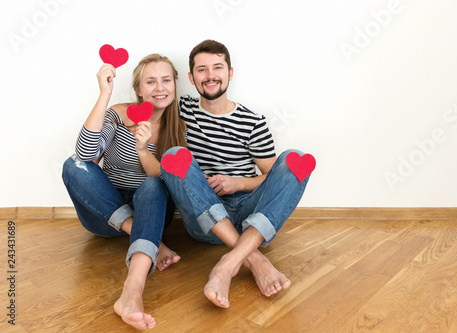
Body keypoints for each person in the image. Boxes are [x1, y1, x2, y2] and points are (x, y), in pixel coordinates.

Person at [160, 40, 313, 308]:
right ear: (190, 77)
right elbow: (147, 99)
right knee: (173, 154)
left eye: (217, 68)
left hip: (249, 218)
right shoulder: (180, 110)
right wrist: (110, 102)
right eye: (202, 70)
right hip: (205, 222)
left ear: (230, 73)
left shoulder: (253, 122)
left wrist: (238, 182)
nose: (210, 76)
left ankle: (227, 264)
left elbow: (273, 175)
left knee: (293, 160)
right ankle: (255, 259)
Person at [62, 53, 186, 329]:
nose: (160, 88)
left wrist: (142, 150)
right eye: (150, 82)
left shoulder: (179, 128)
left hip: (151, 208)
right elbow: (85, 154)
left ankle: (132, 292)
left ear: (175, 85)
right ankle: (150, 241)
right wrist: (104, 94)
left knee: (154, 184)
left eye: (166, 80)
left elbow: (167, 180)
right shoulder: (119, 113)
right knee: (72, 164)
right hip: (104, 210)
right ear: (139, 90)